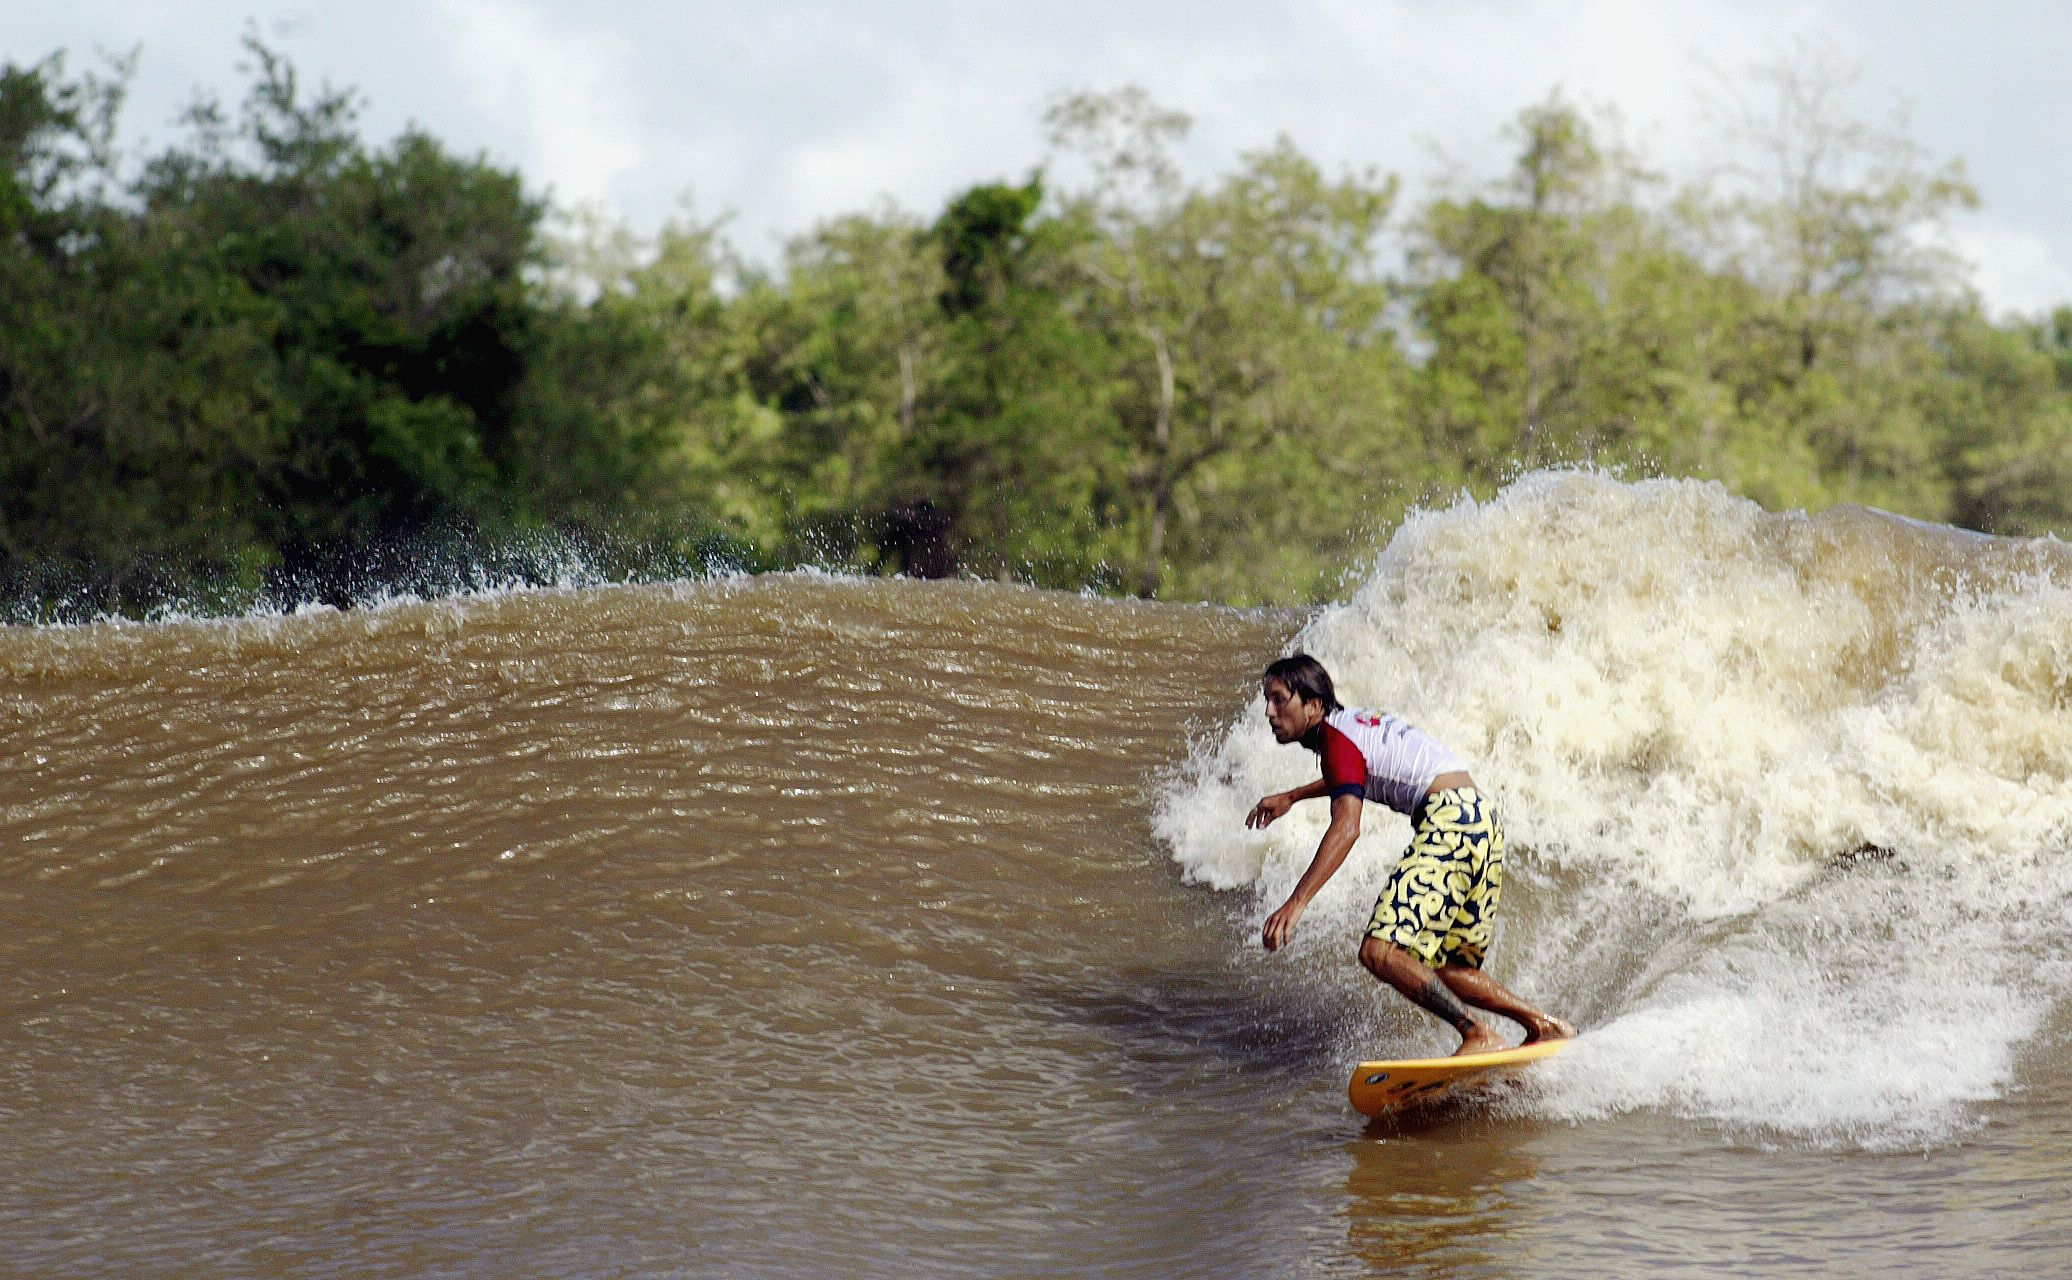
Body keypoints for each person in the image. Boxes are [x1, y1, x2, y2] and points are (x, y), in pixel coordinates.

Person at [1246, 654, 1573, 1055]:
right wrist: (1293, 797)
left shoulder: (1335, 740)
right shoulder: (1349, 728)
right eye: (1267, 700)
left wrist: (1296, 903)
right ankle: (1545, 1025)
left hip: (1450, 820)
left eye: (1279, 700)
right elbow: (1353, 772)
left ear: (1313, 705)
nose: (1269, 712)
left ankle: (1478, 1034)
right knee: (1452, 970)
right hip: (1481, 820)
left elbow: (1347, 827)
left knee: (1379, 951)